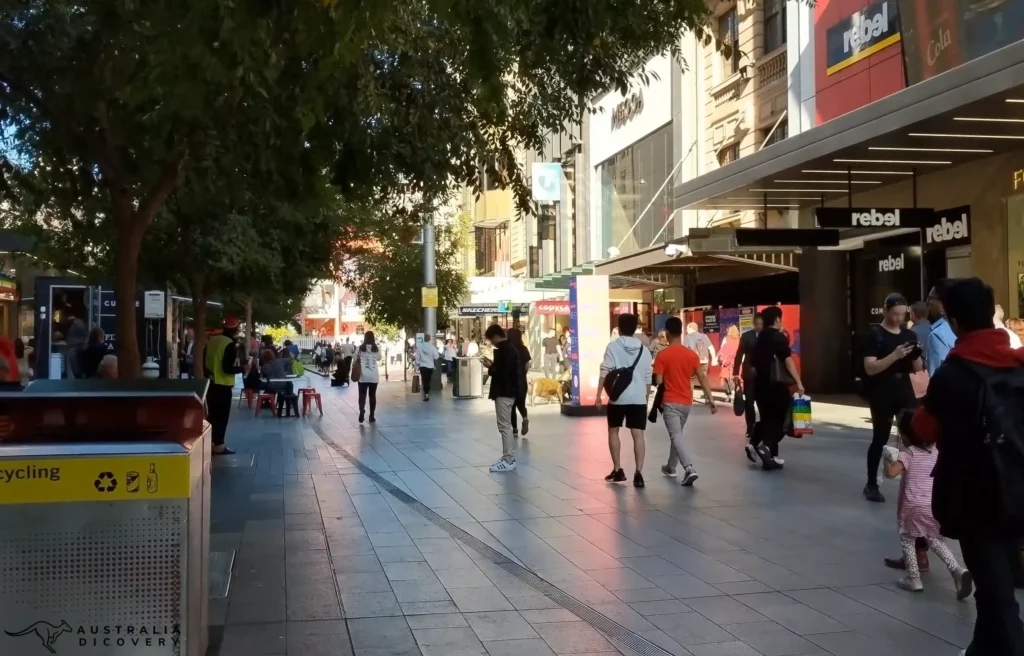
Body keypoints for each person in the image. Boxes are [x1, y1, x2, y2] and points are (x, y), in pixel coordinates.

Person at [911, 278, 1024, 656]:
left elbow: (926, 430)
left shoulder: (954, 376)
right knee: (997, 578)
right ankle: (981, 648)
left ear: (956, 321)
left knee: (997, 592)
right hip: (1019, 486)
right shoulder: (1019, 364)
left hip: (977, 494)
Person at [881, 412, 972, 597]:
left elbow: (891, 473)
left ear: (907, 435)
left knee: (907, 538)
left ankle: (913, 578)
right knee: (935, 539)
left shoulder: (909, 454)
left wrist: (887, 458)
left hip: (912, 507)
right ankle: (957, 570)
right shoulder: (937, 452)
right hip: (932, 506)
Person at [861, 293, 923, 503]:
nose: (898, 318)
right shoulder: (875, 335)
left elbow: (917, 369)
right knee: (880, 436)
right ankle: (871, 483)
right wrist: (894, 356)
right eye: (895, 314)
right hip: (882, 392)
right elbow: (870, 367)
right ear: (886, 310)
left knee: (912, 437)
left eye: (902, 315)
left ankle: (914, 481)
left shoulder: (909, 335)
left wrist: (916, 356)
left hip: (905, 390)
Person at [654, 317, 717, 487]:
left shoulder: (662, 355)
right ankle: (670, 467)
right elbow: (702, 377)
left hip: (670, 401)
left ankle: (689, 468)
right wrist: (710, 399)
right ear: (681, 332)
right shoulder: (691, 355)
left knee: (676, 435)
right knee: (678, 435)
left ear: (666, 333)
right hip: (686, 402)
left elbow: (658, 381)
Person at [596, 313, 653, 488]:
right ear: (635, 327)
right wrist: (646, 396)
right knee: (638, 435)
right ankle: (639, 473)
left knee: (613, 431)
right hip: (638, 397)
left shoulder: (612, 346)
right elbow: (648, 376)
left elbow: (605, 371)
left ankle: (618, 469)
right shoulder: (644, 349)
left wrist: (598, 395)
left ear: (619, 328)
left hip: (617, 398)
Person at [748, 306, 804, 470]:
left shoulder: (760, 338)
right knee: (781, 422)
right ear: (777, 320)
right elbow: (787, 360)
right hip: (776, 386)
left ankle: (769, 456)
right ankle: (766, 446)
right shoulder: (778, 337)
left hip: (760, 386)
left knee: (767, 420)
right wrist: (798, 381)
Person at [482, 324, 520, 472]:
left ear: (496, 336)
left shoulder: (506, 351)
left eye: (491, 340)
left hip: (505, 392)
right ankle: (507, 457)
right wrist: (492, 365)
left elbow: (503, 373)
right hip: (507, 391)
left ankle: (508, 459)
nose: (491, 343)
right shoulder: (509, 349)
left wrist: (490, 367)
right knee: (505, 426)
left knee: (504, 426)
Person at [205, 317, 244, 455]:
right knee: (222, 417)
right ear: (235, 329)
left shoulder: (212, 341)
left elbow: (207, 362)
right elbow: (227, 368)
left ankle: (208, 442)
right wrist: (243, 369)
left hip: (211, 384)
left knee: (212, 415)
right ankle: (219, 445)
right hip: (223, 385)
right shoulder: (229, 344)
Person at [733, 314, 763, 438]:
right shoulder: (747, 336)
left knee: (763, 402)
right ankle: (750, 428)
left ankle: (763, 427)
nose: (760, 326)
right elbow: (739, 354)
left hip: (763, 375)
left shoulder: (768, 336)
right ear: (754, 324)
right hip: (749, 374)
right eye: (758, 324)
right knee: (749, 402)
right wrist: (735, 373)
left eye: (762, 324)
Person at [925, 279, 957, 376]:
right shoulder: (972, 328)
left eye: (931, 298)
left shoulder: (938, 335)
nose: (927, 303)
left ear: (943, 303)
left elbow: (936, 376)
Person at [506, 328, 531, 438]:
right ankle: (525, 418)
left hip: (510, 381)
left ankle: (515, 429)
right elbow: (527, 365)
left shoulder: (507, 349)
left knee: (512, 405)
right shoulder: (524, 348)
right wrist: (523, 373)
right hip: (522, 380)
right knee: (521, 403)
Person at [683, 322, 716, 402]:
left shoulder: (687, 337)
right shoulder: (704, 336)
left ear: (691, 328)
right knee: (704, 379)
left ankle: (690, 398)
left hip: (693, 362)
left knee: (690, 380)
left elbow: (684, 351)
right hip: (704, 361)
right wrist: (714, 359)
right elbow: (711, 348)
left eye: (687, 329)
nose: (686, 331)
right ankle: (707, 398)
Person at [357, 331, 380, 424]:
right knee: (372, 395)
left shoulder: (360, 348)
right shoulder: (376, 348)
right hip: (374, 375)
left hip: (363, 375)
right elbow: (379, 358)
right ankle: (372, 415)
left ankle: (362, 410)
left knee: (362, 395)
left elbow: (355, 359)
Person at [717, 325, 740, 402]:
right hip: (736, 362)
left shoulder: (726, 339)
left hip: (727, 362)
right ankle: (734, 394)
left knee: (726, 379)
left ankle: (729, 395)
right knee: (734, 379)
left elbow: (722, 349)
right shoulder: (739, 340)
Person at [416, 334, 440, 401]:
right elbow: (436, 356)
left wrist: (418, 364)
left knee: (424, 380)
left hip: (423, 366)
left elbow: (417, 356)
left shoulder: (420, 346)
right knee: (428, 380)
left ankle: (426, 393)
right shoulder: (432, 347)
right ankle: (427, 393)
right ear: (429, 339)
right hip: (430, 366)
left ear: (424, 338)